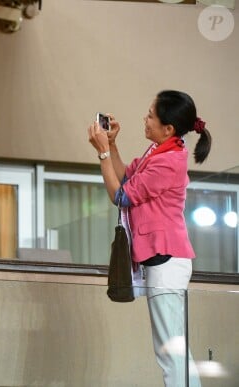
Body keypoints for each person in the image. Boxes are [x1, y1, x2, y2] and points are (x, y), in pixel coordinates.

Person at [88, 90, 211, 387]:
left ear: (168, 128)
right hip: (161, 261)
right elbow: (126, 178)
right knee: (171, 349)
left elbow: (121, 195)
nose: (145, 118)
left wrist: (103, 153)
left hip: (167, 261)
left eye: (151, 115)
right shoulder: (160, 151)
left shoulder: (169, 161)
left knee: (171, 352)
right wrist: (112, 146)